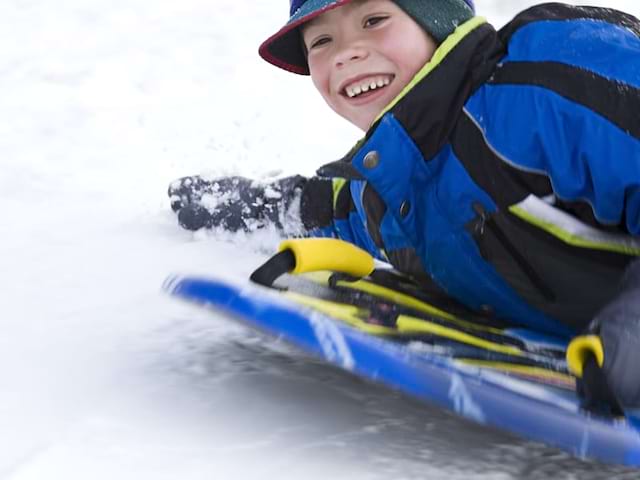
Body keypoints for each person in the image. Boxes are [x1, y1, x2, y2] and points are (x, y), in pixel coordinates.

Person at [168, 0, 640, 409]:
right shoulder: (391, 187)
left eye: (374, 19)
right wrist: (246, 205)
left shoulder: (548, 80)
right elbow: (329, 210)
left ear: (436, 19)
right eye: (321, 41)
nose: (346, 51)